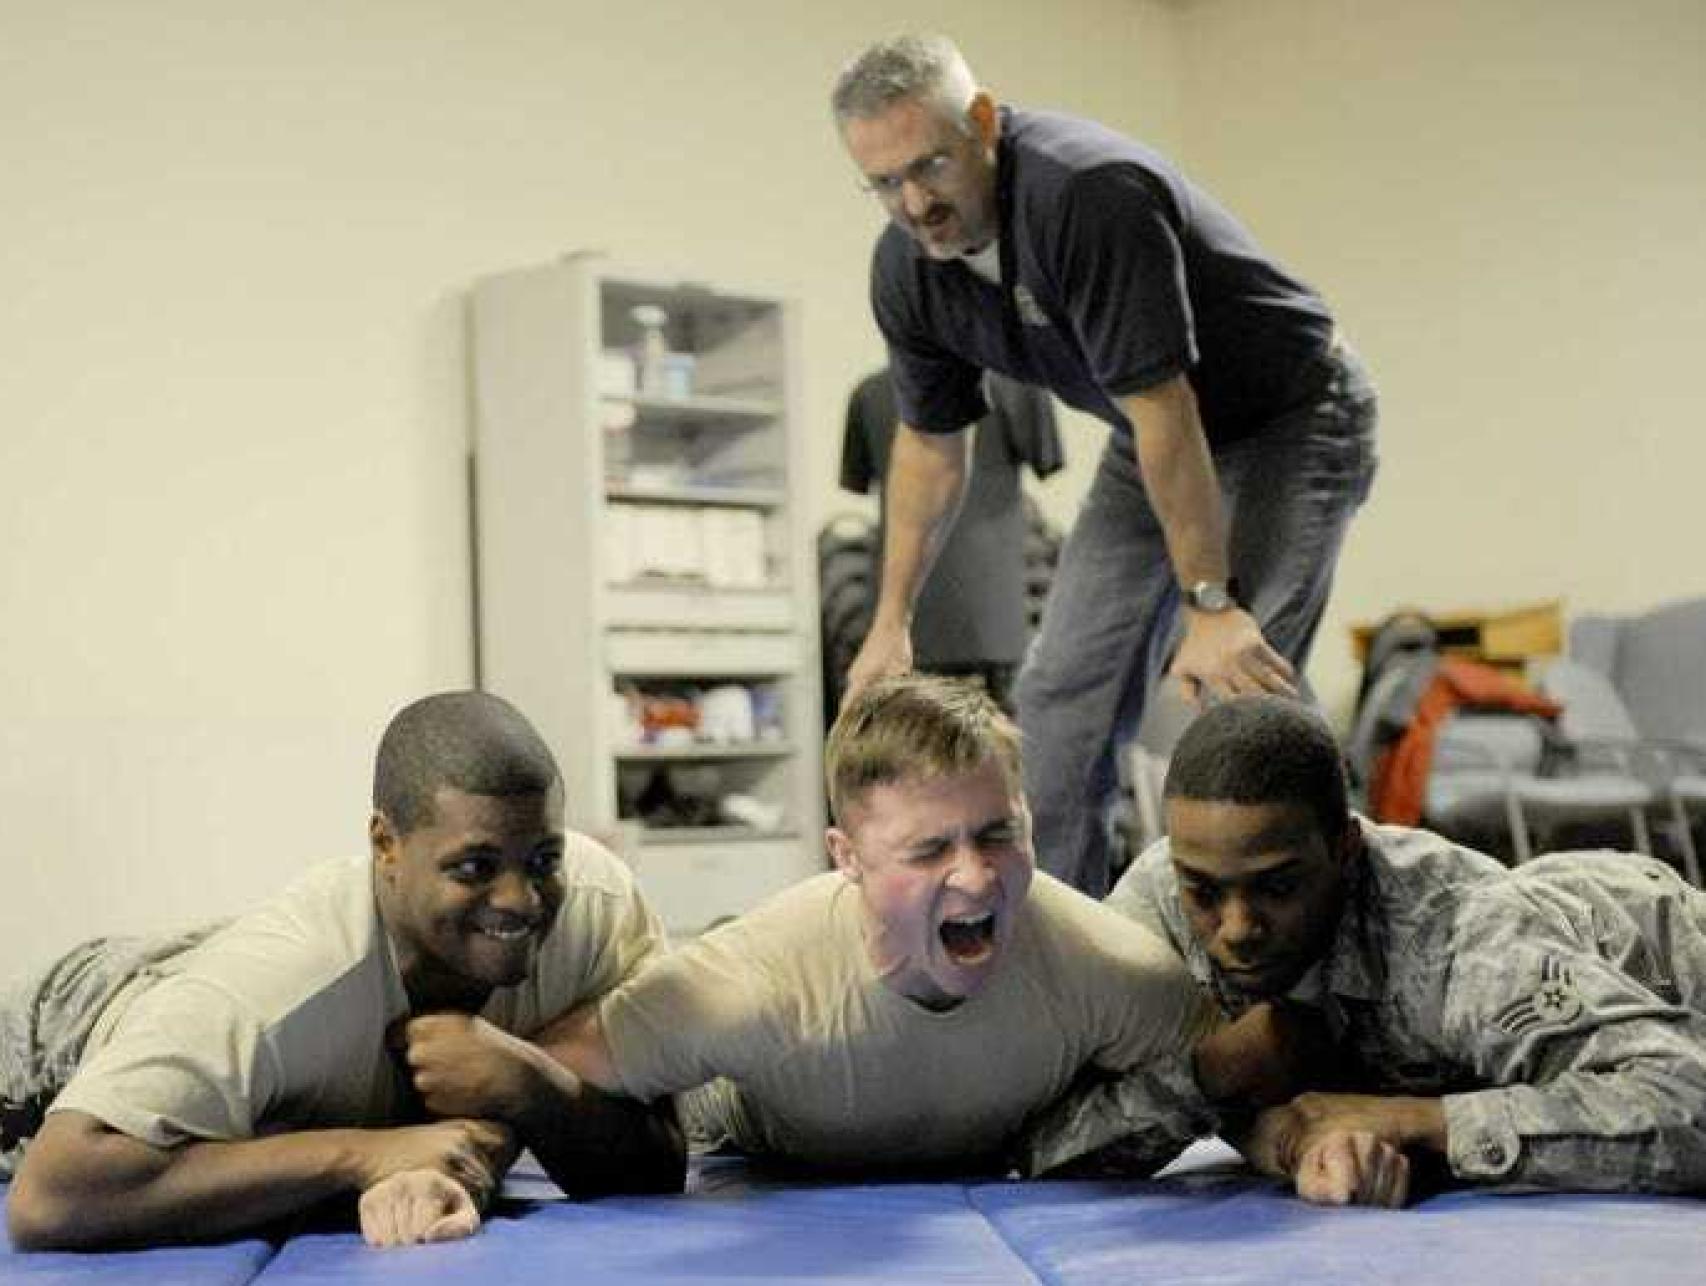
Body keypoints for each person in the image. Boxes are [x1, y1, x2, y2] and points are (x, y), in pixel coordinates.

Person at [831, 34, 1379, 898]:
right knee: (1059, 699)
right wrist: (890, 621)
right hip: (1148, 430)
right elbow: (931, 448)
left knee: (1243, 691)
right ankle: (1062, 959)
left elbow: (1170, 407)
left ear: (982, 121)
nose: (913, 202)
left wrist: (1212, 604)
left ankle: (1321, 954)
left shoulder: (1086, 192)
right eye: (884, 182)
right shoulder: (907, 270)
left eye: (930, 166)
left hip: (1292, 414)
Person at [546, 674, 1307, 1178]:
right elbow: (542, 1066)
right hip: (748, 1126)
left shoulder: (1100, 963)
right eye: (930, 849)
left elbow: (1248, 1087)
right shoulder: (750, 984)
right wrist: (450, 1154)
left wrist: (1309, 1147)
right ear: (845, 856)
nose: (975, 876)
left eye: (998, 835)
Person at [3, 691, 683, 1251]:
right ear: (386, 844)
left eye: (542, 860)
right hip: (56, 1035)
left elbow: (660, 1161)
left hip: (202, 986)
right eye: (474, 867)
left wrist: (529, 1084)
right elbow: (49, 1199)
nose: (521, 900)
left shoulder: (596, 909)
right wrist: (362, 1154)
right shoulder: (283, 984)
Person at [1104, 694, 1706, 1205]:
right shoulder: (1158, 904)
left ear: (1345, 849)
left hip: (1666, 952)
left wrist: (1420, 1122)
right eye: (1204, 891)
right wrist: (1217, 1076)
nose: (1236, 928)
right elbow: (1036, 1140)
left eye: (1278, 887)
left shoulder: (1456, 937)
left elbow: (1688, 1102)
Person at [839, 366, 1063, 711]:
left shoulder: (868, 393)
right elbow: (1048, 462)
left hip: (906, 619)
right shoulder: (1020, 384)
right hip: (988, 620)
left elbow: (857, 480)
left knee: (912, 753)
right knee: (998, 752)